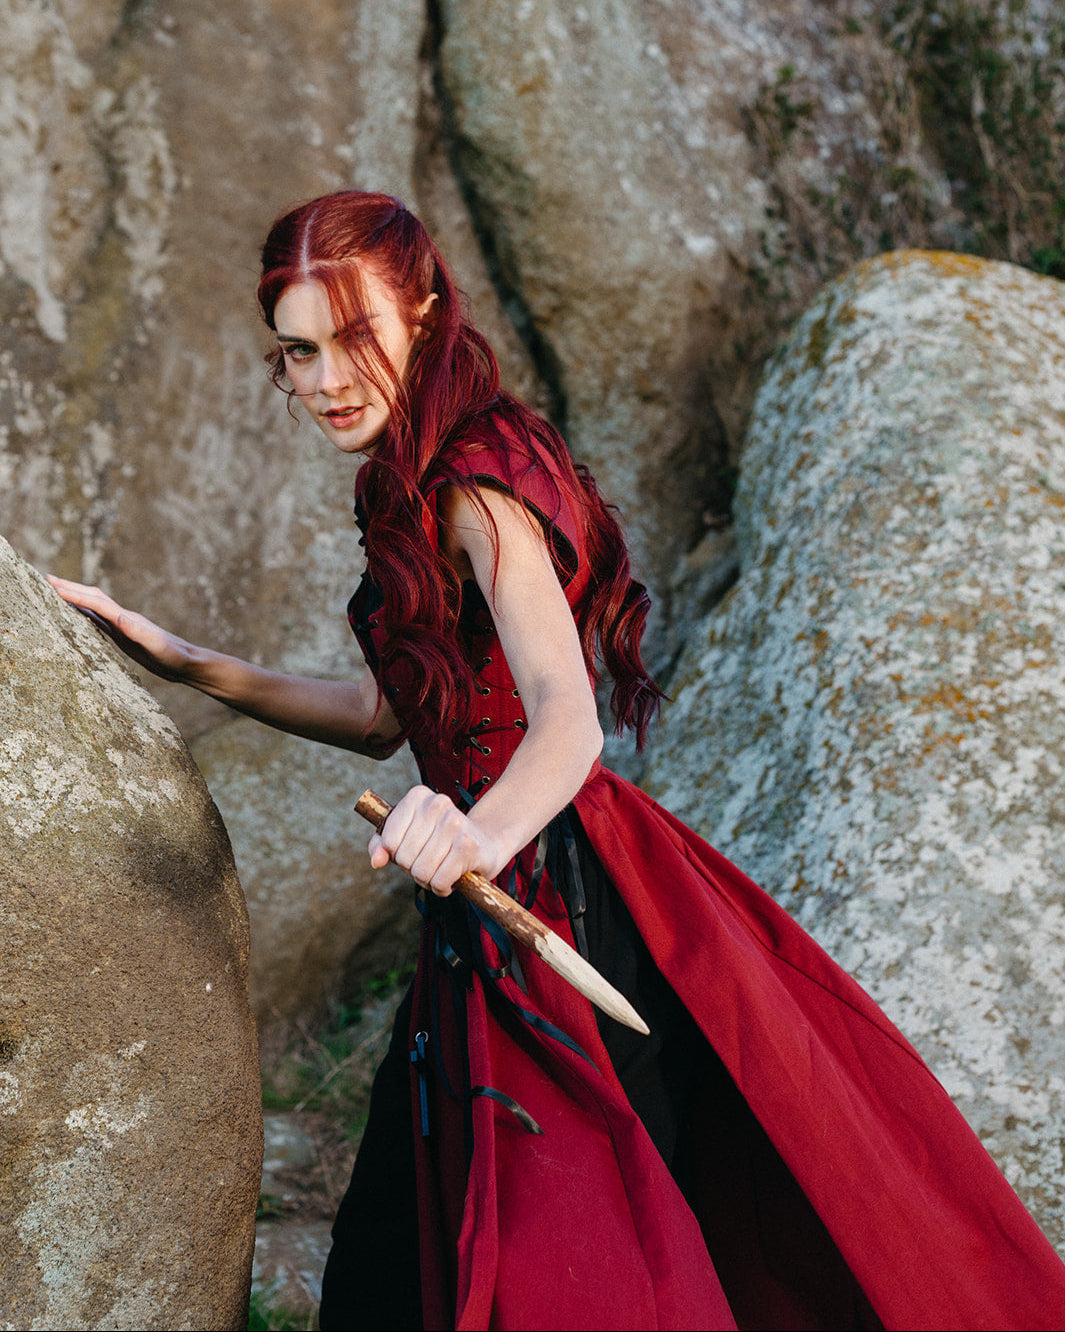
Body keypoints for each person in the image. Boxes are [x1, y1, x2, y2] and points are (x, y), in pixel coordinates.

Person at [50, 191, 1065, 1332]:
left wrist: (477, 833)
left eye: (352, 337)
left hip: (554, 890)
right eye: (297, 352)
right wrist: (189, 663)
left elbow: (567, 719)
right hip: (494, 893)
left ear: (423, 313)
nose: (326, 379)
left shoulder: (474, 481)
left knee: (590, 1253)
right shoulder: (409, 475)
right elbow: (388, 716)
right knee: (436, 1248)